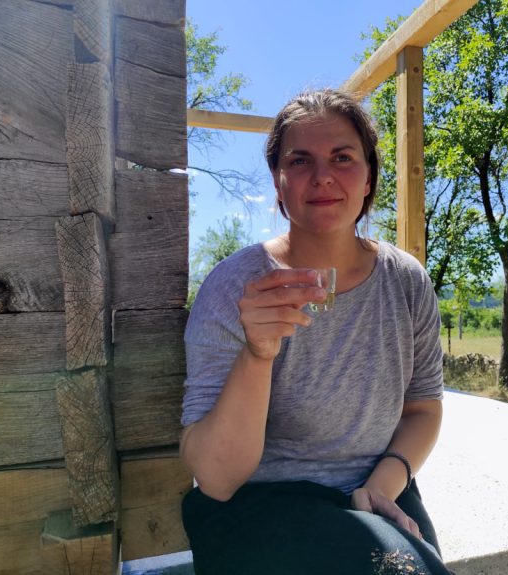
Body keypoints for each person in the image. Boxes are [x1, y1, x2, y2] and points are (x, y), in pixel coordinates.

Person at [180, 88, 450, 575]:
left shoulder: (406, 281)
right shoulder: (234, 286)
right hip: (259, 504)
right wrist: (257, 354)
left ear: (369, 177)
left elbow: (424, 409)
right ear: (278, 184)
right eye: (300, 160)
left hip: (379, 483)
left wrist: (382, 486)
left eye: (342, 158)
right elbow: (217, 480)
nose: (323, 176)